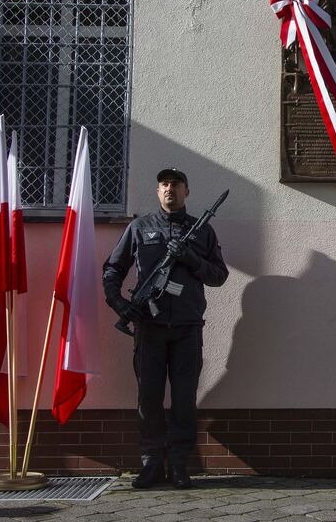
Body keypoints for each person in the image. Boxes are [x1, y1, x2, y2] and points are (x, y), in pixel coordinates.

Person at [102, 168, 228, 489]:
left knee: (184, 401)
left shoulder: (202, 231)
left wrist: (191, 259)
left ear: (187, 191)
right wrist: (119, 304)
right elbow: (113, 269)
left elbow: (219, 276)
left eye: (175, 184)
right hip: (149, 328)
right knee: (149, 400)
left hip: (187, 329)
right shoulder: (139, 227)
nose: (169, 188)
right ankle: (152, 464)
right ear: (158, 191)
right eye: (164, 184)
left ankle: (179, 466)